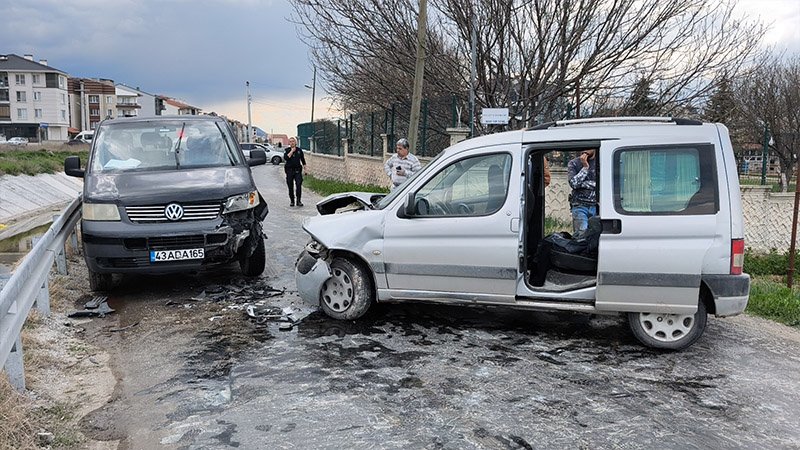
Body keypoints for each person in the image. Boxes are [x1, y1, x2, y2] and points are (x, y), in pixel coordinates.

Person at [567, 149, 597, 235]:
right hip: (579, 205)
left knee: (595, 235)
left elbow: (603, 184)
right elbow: (574, 183)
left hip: (597, 205)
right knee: (581, 234)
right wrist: (585, 167)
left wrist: (583, 184)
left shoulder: (601, 162)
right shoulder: (574, 163)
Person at [284, 137, 307, 206]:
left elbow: (303, 160)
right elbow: (286, 158)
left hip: (297, 171)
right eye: (290, 142)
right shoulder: (287, 150)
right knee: (290, 186)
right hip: (289, 171)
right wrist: (292, 151)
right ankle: (292, 201)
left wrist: (305, 169)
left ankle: (298, 201)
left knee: (298, 185)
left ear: (295, 142)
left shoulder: (299, 150)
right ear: (289, 143)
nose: (292, 143)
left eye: (293, 141)